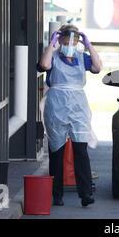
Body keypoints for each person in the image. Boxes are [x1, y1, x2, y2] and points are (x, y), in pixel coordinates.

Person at [37, 25, 103, 207]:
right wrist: (51, 44)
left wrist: (88, 45)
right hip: (57, 105)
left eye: (73, 40)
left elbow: (98, 67)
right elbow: (44, 65)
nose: (69, 44)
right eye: (65, 40)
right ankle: (56, 194)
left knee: (81, 150)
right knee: (56, 151)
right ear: (60, 40)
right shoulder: (53, 57)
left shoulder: (82, 58)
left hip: (77, 106)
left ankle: (86, 193)